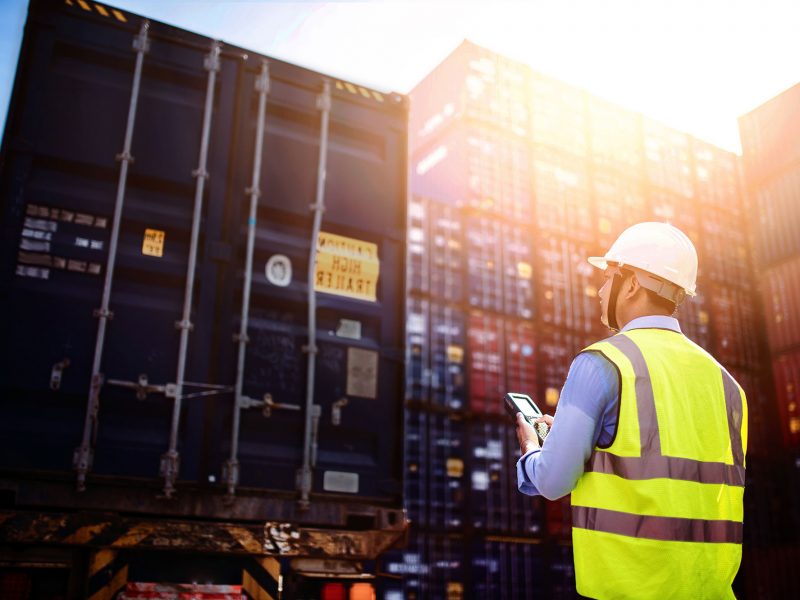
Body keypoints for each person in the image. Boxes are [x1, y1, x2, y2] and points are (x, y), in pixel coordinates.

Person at [515, 222, 747, 600]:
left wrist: (532, 450)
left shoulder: (603, 363)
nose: (601, 290)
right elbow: (672, 468)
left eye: (607, 278)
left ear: (633, 284)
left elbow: (553, 480)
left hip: (629, 591)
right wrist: (589, 445)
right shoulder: (729, 387)